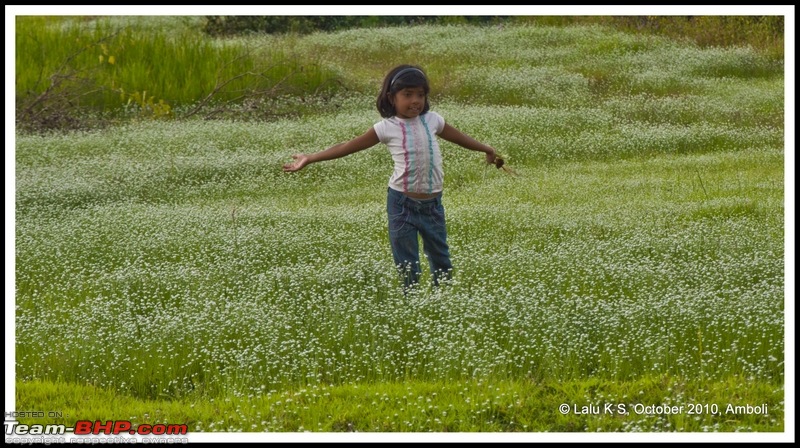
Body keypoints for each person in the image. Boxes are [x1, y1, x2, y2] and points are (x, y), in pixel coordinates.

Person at [283, 64, 497, 291]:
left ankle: (441, 299)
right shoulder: (386, 127)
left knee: (441, 257)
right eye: (407, 95)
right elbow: (347, 146)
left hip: (433, 205)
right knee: (407, 262)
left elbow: (460, 137)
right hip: (402, 204)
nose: (415, 100)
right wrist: (311, 157)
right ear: (391, 97)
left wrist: (486, 148)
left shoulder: (433, 120)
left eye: (420, 95)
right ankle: (411, 301)